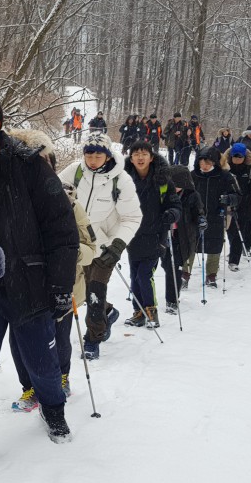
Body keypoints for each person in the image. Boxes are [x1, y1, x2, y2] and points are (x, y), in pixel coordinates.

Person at [0, 92, 79, 473]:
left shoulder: (28, 165)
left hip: (30, 286)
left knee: (42, 363)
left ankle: (54, 411)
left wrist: (60, 286)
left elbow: (61, 229)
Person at [6, 129, 96, 410]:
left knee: (58, 337)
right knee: (20, 342)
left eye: (43, 161)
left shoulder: (69, 201)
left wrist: (62, 255)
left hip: (62, 284)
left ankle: (62, 378)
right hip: (22, 285)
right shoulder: (7, 201)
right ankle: (30, 387)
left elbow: (90, 248)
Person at [57, 133, 142, 359]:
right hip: (77, 245)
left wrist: (117, 246)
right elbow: (50, 193)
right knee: (82, 292)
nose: (93, 159)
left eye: (98, 154)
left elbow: (133, 217)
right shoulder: (74, 172)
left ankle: (93, 339)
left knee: (95, 290)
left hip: (106, 247)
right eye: (88, 154)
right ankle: (108, 312)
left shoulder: (120, 180)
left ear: (107, 155)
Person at [122, 141, 181, 328]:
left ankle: (151, 311)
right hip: (132, 236)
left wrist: (172, 214)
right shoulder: (123, 180)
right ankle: (138, 311)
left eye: (144, 154)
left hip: (156, 236)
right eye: (136, 154)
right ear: (131, 159)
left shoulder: (162, 180)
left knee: (144, 275)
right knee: (134, 276)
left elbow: (175, 205)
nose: (140, 157)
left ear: (151, 157)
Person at [191, 147, 238, 288]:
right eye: (202, 162)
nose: (204, 166)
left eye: (208, 163)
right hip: (195, 216)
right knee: (190, 245)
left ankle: (211, 275)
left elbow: (237, 196)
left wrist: (229, 198)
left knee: (215, 246)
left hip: (216, 215)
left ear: (215, 162)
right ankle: (184, 275)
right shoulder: (192, 175)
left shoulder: (224, 176)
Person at [164, 165, 204, 311]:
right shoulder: (164, 194)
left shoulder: (192, 195)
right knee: (167, 266)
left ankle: (172, 300)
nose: (175, 188)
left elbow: (199, 212)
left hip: (183, 237)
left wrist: (201, 220)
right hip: (164, 236)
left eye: (178, 186)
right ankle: (175, 285)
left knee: (174, 267)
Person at [223, 143, 251, 271]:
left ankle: (234, 260)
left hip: (244, 204)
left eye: (240, 157)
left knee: (240, 232)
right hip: (229, 204)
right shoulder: (225, 168)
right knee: (231, 230)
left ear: (245, 157)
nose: (237, 159)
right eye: (235, 156)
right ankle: (233, 251)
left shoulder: (250, 169)